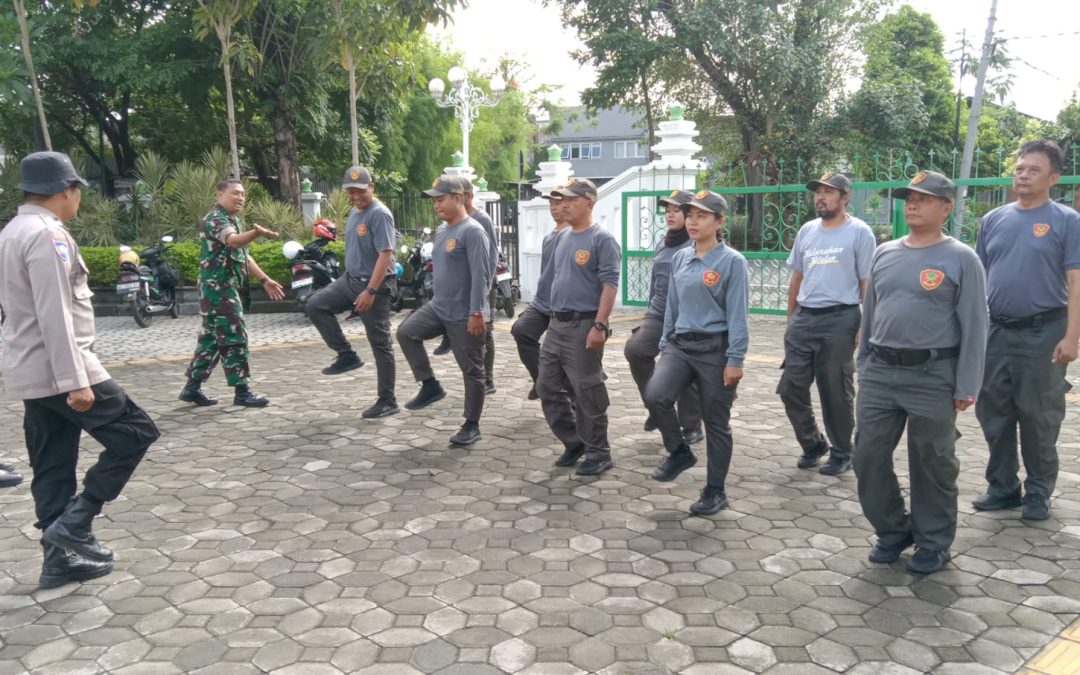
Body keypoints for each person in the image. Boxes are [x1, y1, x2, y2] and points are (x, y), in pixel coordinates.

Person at [0, 151, 160, 588]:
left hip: (32, 369)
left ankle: (58, 560)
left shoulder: (13, 230)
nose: (78, 200)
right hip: (63, 367)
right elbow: (55, 312)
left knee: (52, 460)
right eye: (77, 192)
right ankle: (75, 523)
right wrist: (76, 381)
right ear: (65, 191)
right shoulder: (47, 235)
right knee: (136, 433)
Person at [853, 171, 988, 575]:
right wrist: (863, 362)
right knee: (868, 456)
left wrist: (966, 384)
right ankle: (894, 531)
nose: (912, 204)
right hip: (880, 371)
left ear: (946, 207)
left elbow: (976, 326)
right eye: (909, 198)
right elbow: (871, 311)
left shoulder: (961, 258)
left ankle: (933, 541)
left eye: (923, 199)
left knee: (932, 461)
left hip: (933, 373)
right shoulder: (885, 252)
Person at [973, 140, 1080, 521]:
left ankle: (1038, 492)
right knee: (994, 411)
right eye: (1019, 168)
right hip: (997, 332)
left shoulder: (1066, 220)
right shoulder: (993, 220)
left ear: (1053, 177)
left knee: (1038, 415)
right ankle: (1002, 487)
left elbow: (1075, 280)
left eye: (1033, 170)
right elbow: (978, 277)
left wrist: (1072, 336)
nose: (1022, 174)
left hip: (1044, 333)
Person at [644, 191, 749, 513]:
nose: (692, 221)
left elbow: (738, 314)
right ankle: (679, 452)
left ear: (719, 222)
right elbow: (672, 308)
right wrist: (664, 344)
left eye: (701, 216)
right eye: (690, 215)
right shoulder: (681, 258)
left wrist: (736, 359)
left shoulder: (732, 262)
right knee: (656, 394)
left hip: (715, 349)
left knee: (716, 421)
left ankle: (715, 491)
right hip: (680, 345)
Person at [778, 172, 876, 475]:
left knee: (835, 390)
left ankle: (842, 450)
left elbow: (867, 282)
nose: (820, 197)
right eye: (817, 192)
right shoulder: (807, 230)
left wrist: (864, 324)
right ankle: (812, 443)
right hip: (804, 318)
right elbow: (798, 276)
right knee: (790, 387)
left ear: (845, 197)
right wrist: (790, 317)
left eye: (828, 192)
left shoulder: (860, 232)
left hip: (840, 318)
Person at [396, 175, 492, 446]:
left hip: (465, 313)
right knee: (406, 333)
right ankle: (430, 385)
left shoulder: (473, 231)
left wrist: (477, 313)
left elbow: (481, 276)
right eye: (434, 200)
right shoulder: (442, 230)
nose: (436, 205)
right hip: (439, 307)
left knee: (472, 370)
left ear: (458, 198)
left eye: (441, 199)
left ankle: (471, 424)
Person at [537, 178, 622, 476]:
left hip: (584, 323)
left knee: (586, 389)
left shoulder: (602, 240)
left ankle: (599, 452)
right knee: (546, 385)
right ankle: (575, 442)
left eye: (571, 200)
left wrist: (600, 324)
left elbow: (609, 286)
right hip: (557, 324)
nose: (564, 205)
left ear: (589, 202)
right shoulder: (562, 238)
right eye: (562, 200)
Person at [179, 180, 284, 407]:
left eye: (243, 194)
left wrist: (264, 279)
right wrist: (256, 233)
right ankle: (242, 391)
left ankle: (192, 388)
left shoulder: (231, 219)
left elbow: (243, 256)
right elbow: (234, 241)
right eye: (235, 193)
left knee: (212, 338)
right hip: (218, 288)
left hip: (221, 287)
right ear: (220, 194)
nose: (241, 198)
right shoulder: (215, 219)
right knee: (234, 334)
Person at [305, 166, 399, 419]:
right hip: (350, 280)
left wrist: (370, 290)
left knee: (380, 343)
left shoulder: (379, 214)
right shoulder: (354, 213)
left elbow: (385, 254)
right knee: (315, 305)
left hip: (375, 286)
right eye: (351, 191)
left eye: (360, 191)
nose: (356, 196)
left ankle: (387, 399)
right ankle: (346, 355)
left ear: (372, 187)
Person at [624, 189, 704, 447]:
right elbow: (656, 281)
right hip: (659, 312)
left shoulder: (694, 244)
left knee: (683, 364)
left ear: (689, 213)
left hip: (686, 315)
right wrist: (648, 311)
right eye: (667, 210)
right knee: (635, 350)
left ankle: (691, 424)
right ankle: (657, 409)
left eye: (676, 210)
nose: (670, 215)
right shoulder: (664, 242)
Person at [434, 181, 500, 395]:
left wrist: (486, 285)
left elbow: (491, 255)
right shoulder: (451, 223)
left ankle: (487, 379)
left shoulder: (481, 221)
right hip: (459, 292)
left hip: (481, 285)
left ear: (467, 196)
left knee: (484, 332)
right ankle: (450, 338)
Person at [512, 188, 568, 399]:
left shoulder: (574, 235)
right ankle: (541, 380)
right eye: (551, 203)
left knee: (559, 351)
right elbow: (546, 272)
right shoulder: (549, 237)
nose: (554, 207)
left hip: (563, 305)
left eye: (558, 202)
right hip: (542, 301)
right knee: (521, 330)